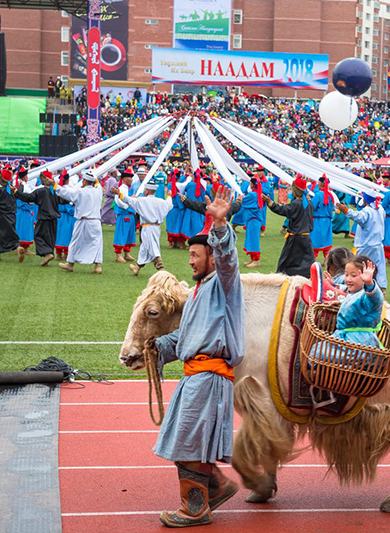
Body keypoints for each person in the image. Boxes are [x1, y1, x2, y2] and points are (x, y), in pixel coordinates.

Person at [147, 186, 243, 528]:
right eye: (189, 254)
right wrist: (158, 348)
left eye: (194, 254)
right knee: (184, 440)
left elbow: (229, 258)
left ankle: (195, 509)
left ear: (212, 257)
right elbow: (187, 339)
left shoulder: (224, 282)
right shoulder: (200, 290)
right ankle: (215, 488)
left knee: (190, 443)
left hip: (209, 377)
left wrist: (219, 225)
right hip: (195, 376)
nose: (189, 260)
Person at [311, 256, 384, 366]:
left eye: (354, 275)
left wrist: (370, 284)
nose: (348, 279)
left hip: (359, 343)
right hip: (345, 338)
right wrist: (336, 289)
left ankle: (345, 375)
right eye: (346, 274)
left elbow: (376, 299)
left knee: (319, 354)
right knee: (317, 348)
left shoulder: (368, 296)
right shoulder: (355, 293)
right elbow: (350, 297)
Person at [112, 182, 172, 274]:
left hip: (148, 228)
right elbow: (169, 204)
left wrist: (119, 193)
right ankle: (137, 268)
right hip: (156, 228)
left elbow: (127, 200)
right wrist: (169, 196)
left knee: (153, 248)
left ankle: (161, 269)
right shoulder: (160, 201)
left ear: (147, 191)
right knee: (144, 248)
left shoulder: (142, 200)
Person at [264, 177, 314, 278]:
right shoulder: (308, 203)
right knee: (306, 264)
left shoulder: (297, 204)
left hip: (295, 239)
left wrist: (270, 203)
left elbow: (283, 210)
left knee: (285, 264)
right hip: (306, 238)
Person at [337, 191, 387, 292]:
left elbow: (358, 217)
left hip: (366, 245)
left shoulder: (368, 211)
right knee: (379, 268)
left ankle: (362, 289)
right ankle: (381, 289)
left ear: (365, 200)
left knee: (361, 268)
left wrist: (345, 210)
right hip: (378, 245)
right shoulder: (380, 209)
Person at [57, 170, 104, 274]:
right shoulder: (98, 190)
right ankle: (98, 266)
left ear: (84, 181)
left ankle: (70, 264)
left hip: (83, 221)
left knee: (75, 241)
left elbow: (67, 193)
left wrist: (54, 186)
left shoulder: (81, 192)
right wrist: (94, 178)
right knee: (97, 242)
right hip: (95, 221)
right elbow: (98, 184)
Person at [15, 170, 60, 266]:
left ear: (43, 180)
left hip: (44, 218)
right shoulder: (55, 191)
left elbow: (28, 197)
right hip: (54, 218)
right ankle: (48, 255)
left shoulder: (41, 191)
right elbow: (64, 200)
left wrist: (16, 192)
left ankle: (47, 254)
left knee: (38, 235)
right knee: (50, 238)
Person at [111, 170, 137, 264]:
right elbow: (118, 201)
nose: (131, 179)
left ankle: (127, 253)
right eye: (130, 177)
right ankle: (118, 255)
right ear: (125, 179)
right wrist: (128, 207)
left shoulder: (128, 189)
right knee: (121, 233)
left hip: (130, 214)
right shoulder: (122, 188)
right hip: (124, 214)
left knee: (129, 234)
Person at [238, 176, 264, 268]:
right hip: (252, 220)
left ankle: (256, 261)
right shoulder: (256, 194)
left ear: (253, 184)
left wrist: (239, 198)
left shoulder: (253, 195)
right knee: (251, 240)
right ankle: (253, 259)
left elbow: (242, 201)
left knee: (253, 240)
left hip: (253, 220)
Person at [310, 175, 334, 260]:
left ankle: (313, 261)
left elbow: (312, 206)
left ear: (320, 183)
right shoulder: (331, 195)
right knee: (326, 242)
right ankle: (327, 261)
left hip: (318, 220)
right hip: (327, 221)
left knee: (314, 241)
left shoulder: (318, 195)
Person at [15, 167, 36, 256]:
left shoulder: (19, 185)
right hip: (24, 209)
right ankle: (24, 248)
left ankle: (21, 247)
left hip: (21, 210)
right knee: (24, 228)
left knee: (20, 227)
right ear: (24, 177)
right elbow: (21, 199)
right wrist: (27, 206)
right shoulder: (22, 186)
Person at [55, 172, 75, 260]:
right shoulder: (70, 190)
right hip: (67, 215)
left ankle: (58, 254)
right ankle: (66, 254)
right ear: (67, 180)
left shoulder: (58, 189)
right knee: (67, 235)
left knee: (58, 234)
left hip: (59, 215)